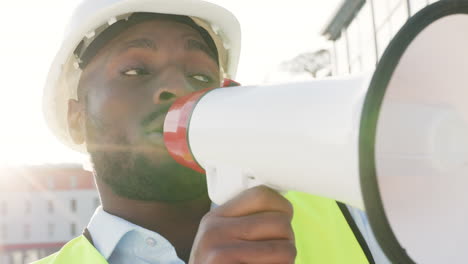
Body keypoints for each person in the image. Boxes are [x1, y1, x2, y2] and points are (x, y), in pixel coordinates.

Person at [36, 0, 386, 263]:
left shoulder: (355, 213)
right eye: (135, 71)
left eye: (201, 77)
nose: (177, 85)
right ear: (76, 118)